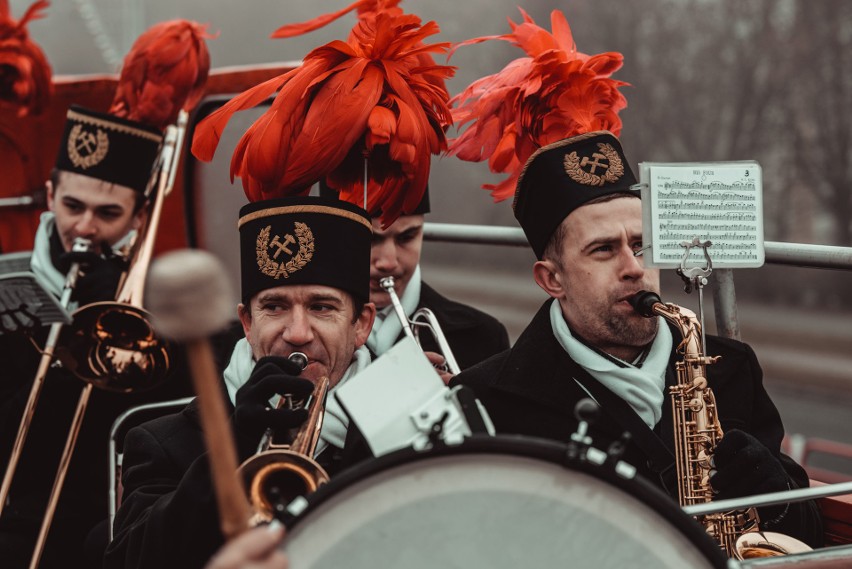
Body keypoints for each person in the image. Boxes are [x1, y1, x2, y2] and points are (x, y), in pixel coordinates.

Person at [450, 130, 823, 548]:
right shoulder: (488, 398)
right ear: (552, 279)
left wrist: (778, 498)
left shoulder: (731, 366)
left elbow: (807, 534)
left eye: (642, 245)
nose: (634, 268)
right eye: (604, 249)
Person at [105, 195, 377, 569]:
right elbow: (128, 561)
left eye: (322, 307)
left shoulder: (403, 426)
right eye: (275, 307)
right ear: (247, 323)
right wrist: (232, 447)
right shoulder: (161, 443)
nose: (298, 333)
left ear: (361, 324)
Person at [320, 181, 510, 383]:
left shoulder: (482, 337)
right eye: (369, 239)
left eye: (406, 237)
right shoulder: (296, 337)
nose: (388, 262)